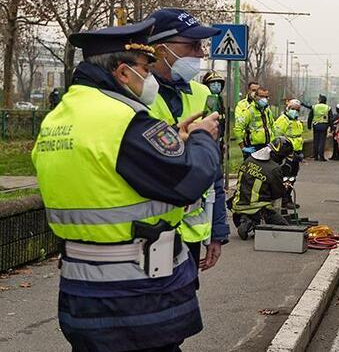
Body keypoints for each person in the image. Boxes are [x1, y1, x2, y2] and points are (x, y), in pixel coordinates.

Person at [32, 19, 221, 351]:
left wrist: (171, 141)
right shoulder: (122, 119)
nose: (149, 78)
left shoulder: (60, 118)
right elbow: (190, 179)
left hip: (80, 289)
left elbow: (106, 174)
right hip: (136, 296)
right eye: (145, 69)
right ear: (122, 73)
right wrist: (203, 138)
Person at [145, 8, 228, 273]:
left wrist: (217, 231)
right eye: (193, 45)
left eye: (202, 45)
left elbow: (212, 170)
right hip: (147, 232)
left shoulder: (202, 95)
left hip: (190, 234)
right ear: (161, 51)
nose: (201, 53)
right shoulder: (134, 94)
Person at [232, 136, 293, 238]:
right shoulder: (274, 169)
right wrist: (285, 191)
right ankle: (255, 223)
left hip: (237, 207)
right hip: (258, 209)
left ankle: (247, 220)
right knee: (285, 228)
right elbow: (277, 195)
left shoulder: (249, 160)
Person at [274, 99, 304, 208]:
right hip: (286, 153)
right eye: (293, 109)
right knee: (285, 176)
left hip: (296, 153)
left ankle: (287, 197)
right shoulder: (283, 120)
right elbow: (277, 136)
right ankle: (284, 199)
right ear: (288, 108)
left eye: (297, 109)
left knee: (292, 177)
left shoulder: (297, 121)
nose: (295, 111)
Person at [234, 86, 274, 159]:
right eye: (261, 96)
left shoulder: (267, 111)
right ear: (255, 97)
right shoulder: (248, 111)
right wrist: (243, 147)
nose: (264, 99)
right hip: (253, 148)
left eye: (266, 97)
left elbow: (272, 126)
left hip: (267, 146)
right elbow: (238, 129)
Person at [308, 95, 331, 161]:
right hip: (324, 126)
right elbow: (330, 118)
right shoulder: (328, 108)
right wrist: (331, 127)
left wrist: (309, 126)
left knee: (316, 141)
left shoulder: (314, 107)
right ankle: (321, 156)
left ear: (320, 100)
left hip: (316, 125)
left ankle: (315, 156)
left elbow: (310, 117)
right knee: (322, 141)